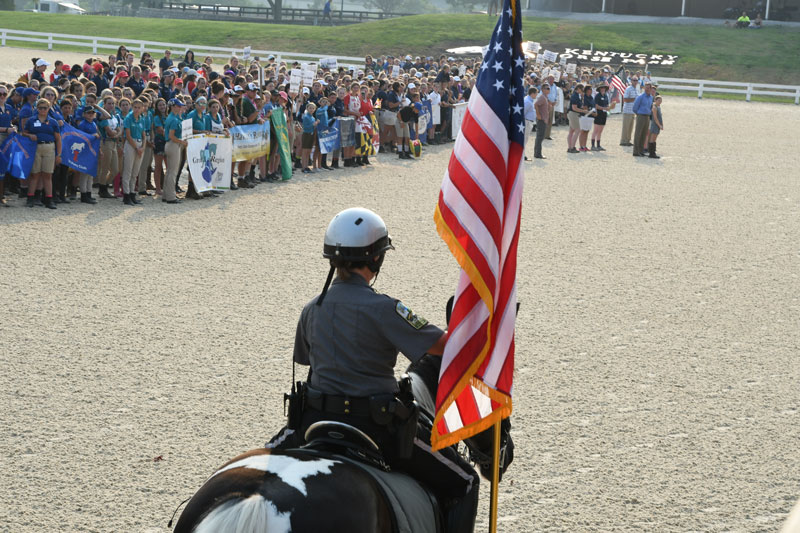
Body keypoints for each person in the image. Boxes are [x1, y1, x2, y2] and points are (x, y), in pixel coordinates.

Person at [267, 207, 480, 533]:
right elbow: (445, 346)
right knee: (465, 481)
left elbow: (308, 361)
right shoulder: (385, 309)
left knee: (257, 468)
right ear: (377, 259)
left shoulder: (311, 309)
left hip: (312, 419)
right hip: (377, 427)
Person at [22, 98, 62, 209]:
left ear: (49, 108)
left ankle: (49, 199)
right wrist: (30, 135)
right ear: (37, 108)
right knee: (35, 174)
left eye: (45, 108)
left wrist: (59, 154)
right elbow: (24, 133)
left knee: (47, 175)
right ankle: (30, 198)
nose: (43, 110)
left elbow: (58, 139)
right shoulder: (31, 120)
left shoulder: (53, 122)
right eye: (40, 108)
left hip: (49, 147)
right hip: (36, 147)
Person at [162, 98, 186, 204]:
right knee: (172, 172)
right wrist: (182, 142)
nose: (180, 107)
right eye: (178, 106)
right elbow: (172, 136)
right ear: (173, 106)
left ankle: (166, 195)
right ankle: (171, 196)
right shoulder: (174, 119)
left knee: (170, 171)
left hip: (171, 145)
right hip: (173, 145)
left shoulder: (173, 117)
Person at [632, 82, 653, 157]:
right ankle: (635, 151)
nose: (647, 89)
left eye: (649, 88)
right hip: (641, 115)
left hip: (647, 116)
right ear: (644, 88)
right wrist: (638, 114)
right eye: (646, 87)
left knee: (644, 134)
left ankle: (641, 150)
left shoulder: (651, 97)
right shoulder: (640, 97)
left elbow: (650, 107)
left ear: (650, 89)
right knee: (638, 133)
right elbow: (635, 107)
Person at [620, 76, 640, 147]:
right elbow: (625, 99)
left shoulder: (637, 90)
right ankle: (623, 140)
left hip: (633, 111)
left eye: (636, 80)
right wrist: (634, 99)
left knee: (630, 127)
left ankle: (628, 140)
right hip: (627, 110)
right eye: (634, 80)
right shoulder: (628, 89)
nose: (635, 82)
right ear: (631, 81)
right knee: (626, 126)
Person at [591, 82, 611, 151]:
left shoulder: (606, 96)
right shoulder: (597, 96)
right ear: (599, 89)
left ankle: (598, 145)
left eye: (604, 88)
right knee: (596, 130)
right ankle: (593, 145)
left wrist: (608, 107)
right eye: (601, 88)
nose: (603, 89)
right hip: (598, 114)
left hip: (604, 114)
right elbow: (596, 106)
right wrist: (604, 108)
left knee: (600, 130)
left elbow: (607, 104)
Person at [533, 84, 549, 159]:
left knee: (540, 136)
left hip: (543, 119)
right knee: (540, 136)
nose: (548, 90)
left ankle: (537, 152)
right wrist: (538, 114)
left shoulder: (544, 97)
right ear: (542, 89)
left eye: (549, 88)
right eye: (546, 88)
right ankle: (538, 153)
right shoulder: (542, 97)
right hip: (541, 119)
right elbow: (536, 104)